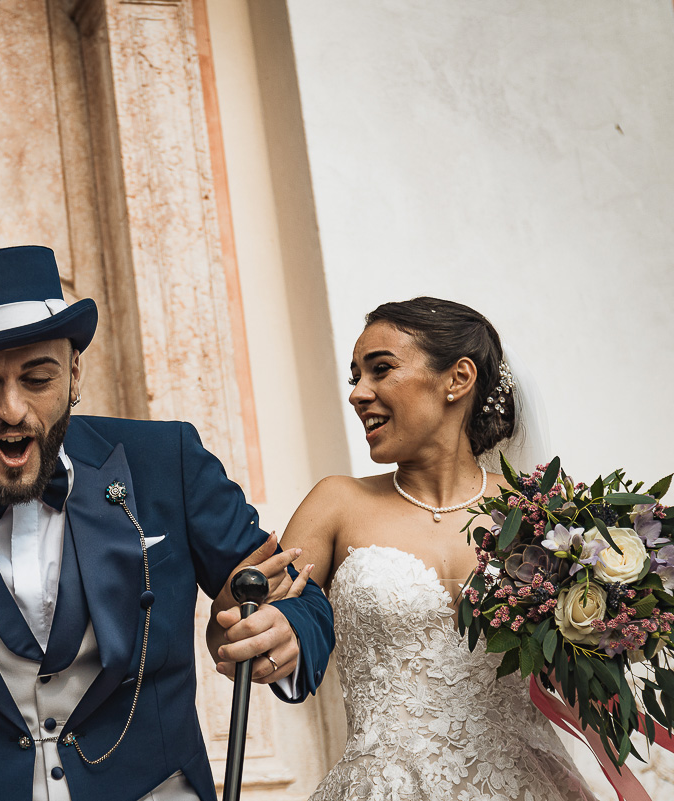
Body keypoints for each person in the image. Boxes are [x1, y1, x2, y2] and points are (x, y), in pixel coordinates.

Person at [0, 245, 335, 801]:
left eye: (37, 378)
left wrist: (288, 629)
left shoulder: (167, 461)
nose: (12, 410)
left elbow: (295, 594)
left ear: (74, 374)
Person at [246, 297, 595, 800]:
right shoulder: (336, 503)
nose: (358, 394)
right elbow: (251, 625)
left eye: (381, 369)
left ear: (458, 379)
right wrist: (252, 629)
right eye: (355, 377)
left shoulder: (538, 512)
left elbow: (578, 669)